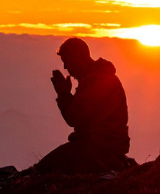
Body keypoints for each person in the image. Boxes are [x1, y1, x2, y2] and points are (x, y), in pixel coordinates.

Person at [34, 37, 132, 174]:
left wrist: (63, 94)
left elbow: (74, 118)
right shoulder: (94, 78)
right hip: (101, 144)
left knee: (43, 170)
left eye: (66, 62)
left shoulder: (98, 81)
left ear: (77, 57)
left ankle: (111, 164)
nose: (65, 67)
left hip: (100, 146)